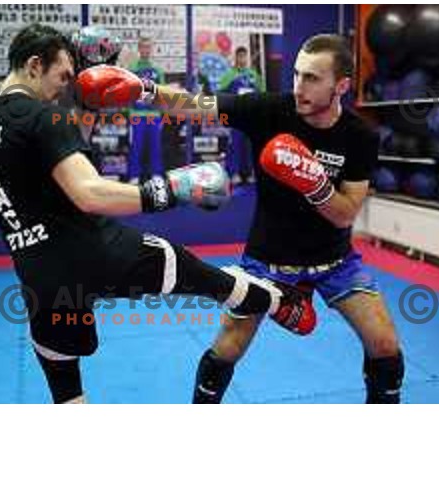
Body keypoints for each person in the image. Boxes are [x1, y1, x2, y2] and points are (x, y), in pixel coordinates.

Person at [0, 23, 315, 404]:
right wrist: (174, 189)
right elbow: (89, 193)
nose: (63, 86)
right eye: (63, 76)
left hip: (37, 272)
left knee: (61, 369)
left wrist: (87, 104)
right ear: (34, 65)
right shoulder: (41, 117)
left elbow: (56, 159)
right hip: (92, 251)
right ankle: (280, 300)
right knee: (182, 266)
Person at [141, 33, 405, 404]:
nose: (299, 87)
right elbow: (195, 105)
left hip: (335, 262)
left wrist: (312, 180)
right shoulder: (268, 110)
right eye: (297, 75)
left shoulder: (359, 136)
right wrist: (143, 89)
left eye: (312, 78)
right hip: (267, 262)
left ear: (341, 85)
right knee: (228, 347)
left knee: (385, 345)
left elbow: (345, 214)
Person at [218, 46, 264, 185]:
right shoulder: (228, 75)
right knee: (235, 146)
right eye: (240, 56)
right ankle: (234, 174)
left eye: (245, 56)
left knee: (250, 146)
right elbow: (221, 94)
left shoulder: (254, 75)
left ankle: (251, 173)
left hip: (250, 117)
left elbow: (261, 95)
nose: (243, 59)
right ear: (236, 58)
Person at [126, 36, 167, 183]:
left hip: (154, 115)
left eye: (148, 47)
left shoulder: (158, 70)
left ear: (151, 49)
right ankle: (134, 176)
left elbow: (162, 95)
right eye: (143, 47)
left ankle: (156, 174)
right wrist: (130, 114)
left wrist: (161, 116)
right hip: (137, 115)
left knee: (155, 147)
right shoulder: (132, 69)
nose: (146, 50)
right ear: (139, 49)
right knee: (135, 147)